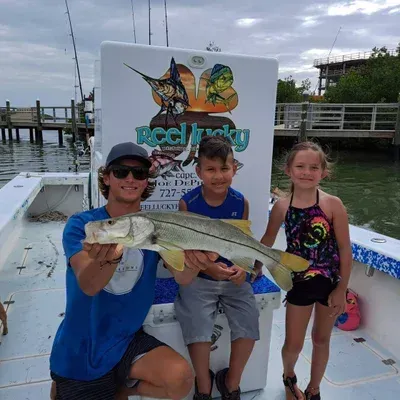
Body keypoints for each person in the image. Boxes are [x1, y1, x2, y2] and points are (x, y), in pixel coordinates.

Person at [49, 141, 219, 400]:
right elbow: (89, 284)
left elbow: (183, 277)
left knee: (181, 378)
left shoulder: (153, 227)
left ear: (146, 180)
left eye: (139, 173)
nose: (130, 178)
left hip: (127, 339)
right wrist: (108, 258)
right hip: (83, 346)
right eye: (120, 172)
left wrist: (197, 263)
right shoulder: (83, 225)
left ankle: (122, 387)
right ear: (106, 177)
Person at [254, 141, 352, 400]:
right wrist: (254, 267)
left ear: (323, 172)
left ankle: (314, 388)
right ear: (288, 170)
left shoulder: (333, 205)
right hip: (298, 282)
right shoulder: (282, 207)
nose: (306, 172)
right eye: (300, 166)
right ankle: (289, 377)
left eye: (313, 167)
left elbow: (344, 249)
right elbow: (267, 240)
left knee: (321, 339)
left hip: (330, 284)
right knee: (293, 344)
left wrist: (342, 289)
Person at [175, 135, 260, 400]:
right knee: (198, 327)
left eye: (224, 168)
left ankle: (231, 382)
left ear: (234, 168)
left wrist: (242, 269)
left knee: (249, 322)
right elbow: (188, 251)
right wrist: (210, 270)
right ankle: (203, 385)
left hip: (234, 279)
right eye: (210, 169)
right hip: (200, 278)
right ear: (199, 171)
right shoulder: (187, 203)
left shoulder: (241, 203)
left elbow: (243, 245)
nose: (218, 175)